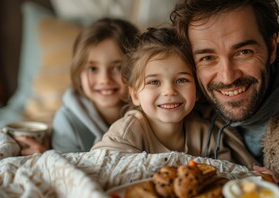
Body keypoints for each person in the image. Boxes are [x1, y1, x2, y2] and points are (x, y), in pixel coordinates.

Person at [168, 0, 279, 189]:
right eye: (207, 58)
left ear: (272, 48)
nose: (228, 77)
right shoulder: (185, 113)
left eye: (243, 52)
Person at [92, 27, 233, 160]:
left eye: (182, 80)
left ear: (197, 90)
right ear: (135, 95)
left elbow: (232, 175)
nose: (169, 91)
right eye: (154, 82)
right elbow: (100, 166)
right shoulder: (126, 133)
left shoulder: (206, 133)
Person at [49, 18, 139, 153]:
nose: (104, 80)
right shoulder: (67, 122)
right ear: (78, 72)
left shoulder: (150, 115)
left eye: (117, 67)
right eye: (93, 69)